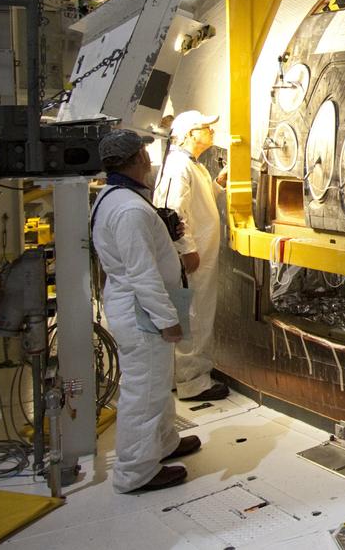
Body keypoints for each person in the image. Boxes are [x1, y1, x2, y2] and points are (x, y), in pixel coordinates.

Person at [92, 129, 201, 493]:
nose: (149, 160)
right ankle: (135, 472)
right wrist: (167, 320)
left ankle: (164, 442)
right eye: (145, 153)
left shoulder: (116, 196)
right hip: (144, 311)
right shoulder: (129, 209)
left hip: (141, 305)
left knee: (157, 381)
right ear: (140, 159)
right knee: (145, 391)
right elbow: (142, 273)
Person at [154, 110, 229, 402]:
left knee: (194, 313)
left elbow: (199, 199)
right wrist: (187, 249)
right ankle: (193, 382)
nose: (211, 131)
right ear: (189, 134)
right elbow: (172, 212)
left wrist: (219, 183)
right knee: (196, 315)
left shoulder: (192, 165)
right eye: (205, 127)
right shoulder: (179, 166)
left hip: (201, 253)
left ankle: (180, 376)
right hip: (194, 257)